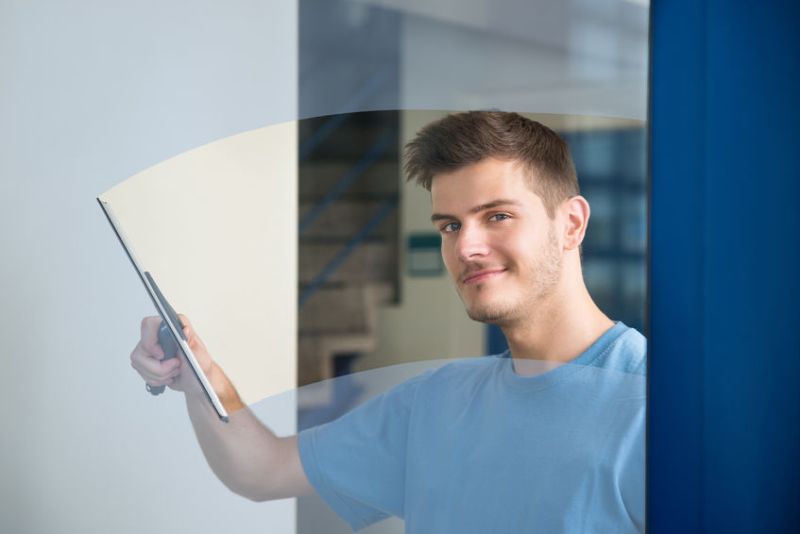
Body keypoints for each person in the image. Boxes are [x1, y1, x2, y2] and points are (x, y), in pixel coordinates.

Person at [130, 111, 646, 533]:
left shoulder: (662, 406)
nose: (466, 246)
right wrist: (199, 379)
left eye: (498, 216)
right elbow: (263, 471)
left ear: (571, 223)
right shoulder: (435, 402)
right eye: (450, 225)